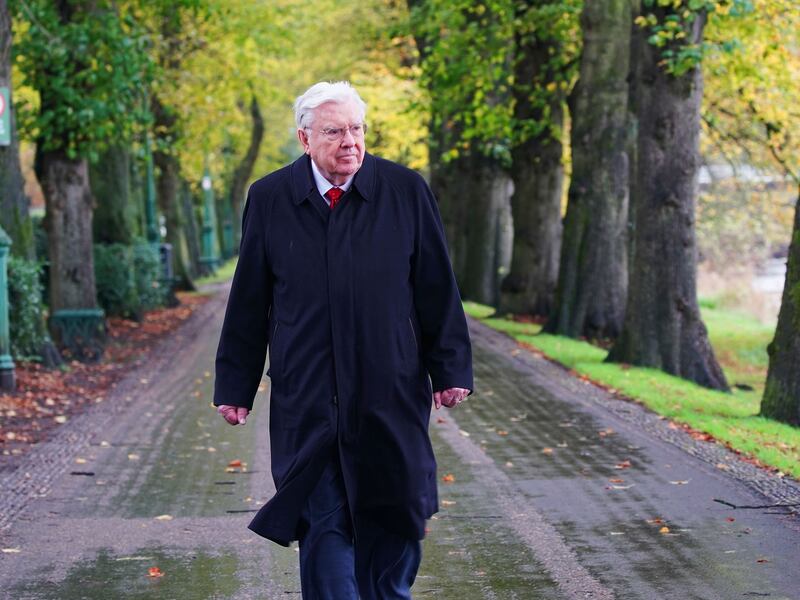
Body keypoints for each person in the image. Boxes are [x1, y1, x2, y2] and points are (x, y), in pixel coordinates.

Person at [213, 80, 473, 600]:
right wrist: (235, 385)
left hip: (390, 389)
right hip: (308, 395)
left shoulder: (406, 191)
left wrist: (449, 370)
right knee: (324, 523)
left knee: (395, 514)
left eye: (357, 129)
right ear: (305, 139)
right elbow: (249, 299)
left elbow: (436, 288)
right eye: (334, 132)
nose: (350, 141)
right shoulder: (270, 197)